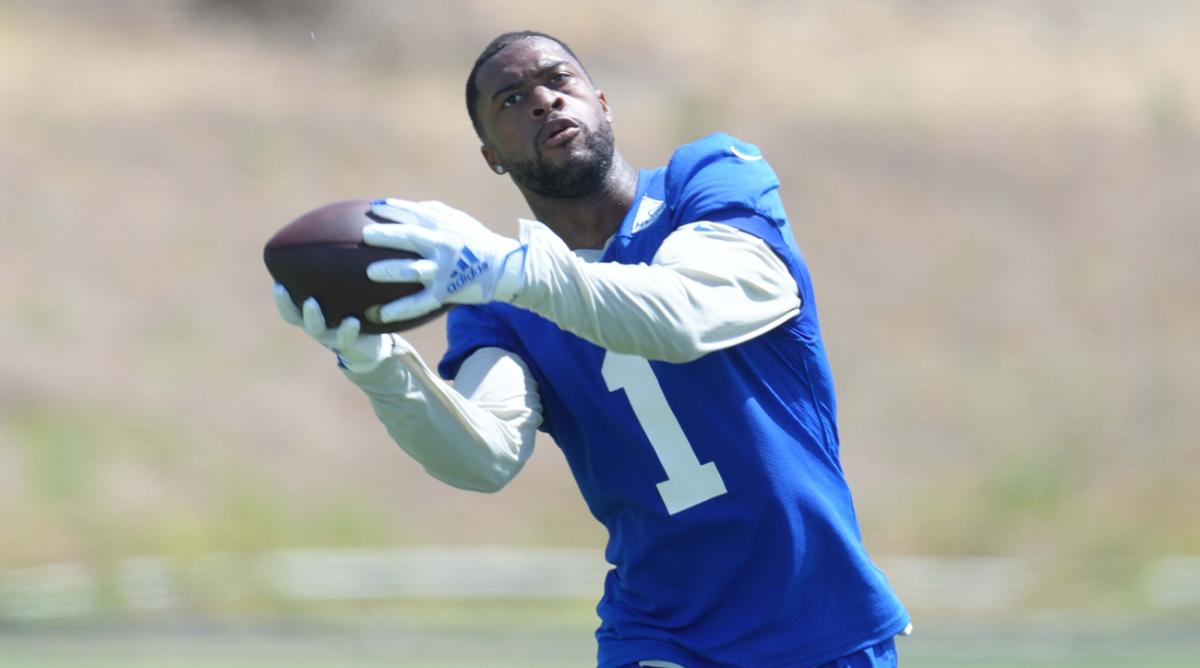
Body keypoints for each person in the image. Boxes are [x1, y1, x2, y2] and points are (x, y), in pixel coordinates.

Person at [273, 30, 911, 668]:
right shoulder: (498, 301)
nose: (544, 101)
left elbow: (687, 312)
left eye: (559, 81)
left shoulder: (711, 181)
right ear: (492, 155)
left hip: (821, 615)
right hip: (661, 634)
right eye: (512, 100)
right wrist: (379, 368)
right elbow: (484, 456)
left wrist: (519, 271)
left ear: (602, 102)